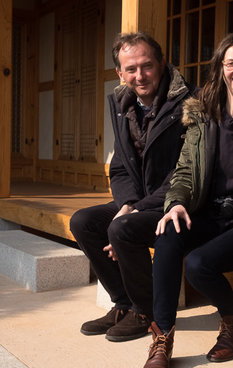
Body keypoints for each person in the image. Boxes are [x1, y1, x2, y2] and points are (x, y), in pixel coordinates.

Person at [143, 33, 233, 368]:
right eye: (230, 63)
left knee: (199, 266)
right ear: (219, 69)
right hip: (209, 213)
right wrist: (176, 203)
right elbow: (185, 170)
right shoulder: (204, 115)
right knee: (169, 234)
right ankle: (162, 338)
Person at [70, 32, 196, 342]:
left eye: (147, 66)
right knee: (83, 222)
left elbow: (187, 169)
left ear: (161, 64)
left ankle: (145, 310)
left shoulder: (189, 102)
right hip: (140, 201)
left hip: (177, 204)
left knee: (122, 228)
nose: (140, 76)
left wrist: (135, 210)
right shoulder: (122, 104)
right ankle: (124, 304)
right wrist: (126, 204)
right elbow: (120, 167)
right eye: (131, 69)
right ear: (120, 73)